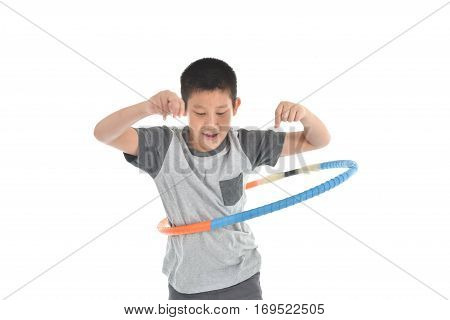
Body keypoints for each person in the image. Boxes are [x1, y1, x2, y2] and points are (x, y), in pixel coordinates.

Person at [94, 57, 331, 299]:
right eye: (199, 113)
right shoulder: (163, 146)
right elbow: (104, 134)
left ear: (235, 107)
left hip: (242, 277)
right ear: (185, 108)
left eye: (221, 113)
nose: (211, 124)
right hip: (187, 284)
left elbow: (318, 140)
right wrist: (147, 108)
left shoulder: (247, 143)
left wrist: (305, 115)